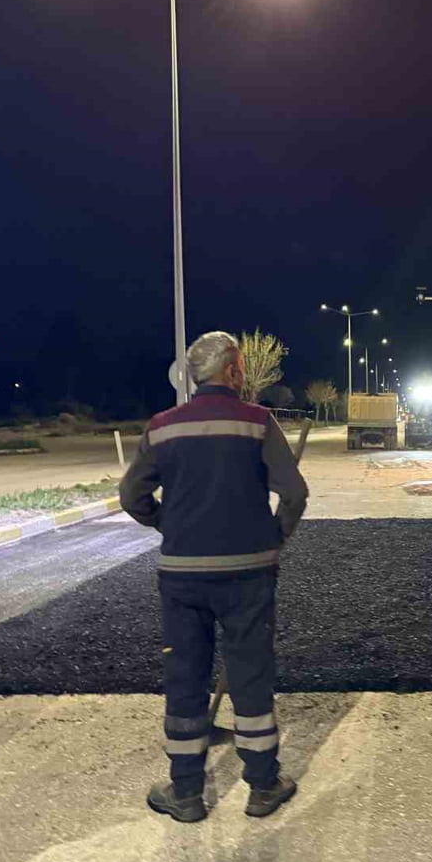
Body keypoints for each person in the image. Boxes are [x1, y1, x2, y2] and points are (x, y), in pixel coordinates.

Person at [120, 331, 309, 822]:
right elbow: (293, 494)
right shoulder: (257, 423)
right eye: (241, 366)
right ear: (232, 372)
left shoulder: (162, 428)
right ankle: (263, 786)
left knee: (185, 675)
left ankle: (185, 794)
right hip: (249, 574)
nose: (243, 374)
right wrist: (273, 537)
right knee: (250, 674)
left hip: (182, 576)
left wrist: (168, 523)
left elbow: (131, 498)